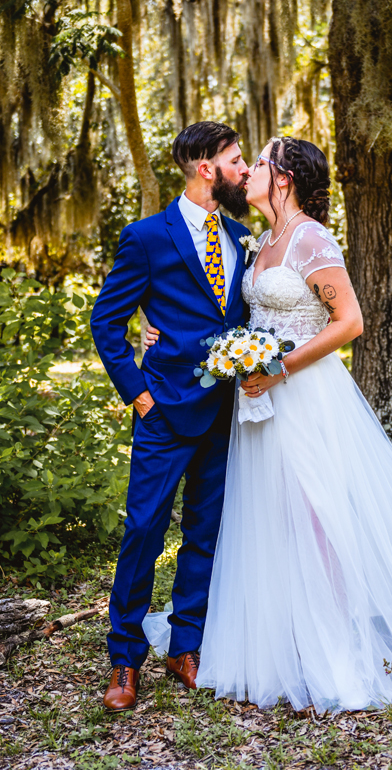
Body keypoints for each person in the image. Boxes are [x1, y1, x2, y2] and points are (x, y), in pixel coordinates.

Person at [141, 137, 392, 712]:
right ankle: (278, 630)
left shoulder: (310, 238)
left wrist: (279, 368)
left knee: (318, 512)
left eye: (259, 163)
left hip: (304, 396)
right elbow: (221, 308)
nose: (250, 172)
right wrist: (154, 329)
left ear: (282, 177)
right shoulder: (258, 241)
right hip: (256, 405)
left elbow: (350, 321)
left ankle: (328, 641)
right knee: (270, 512)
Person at [89, 121, 252, 711]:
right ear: (206, 167)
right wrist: (139, 394)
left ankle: (187, 645)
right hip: (162, 411)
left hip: (225, 412)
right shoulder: (146, 237)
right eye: (235, 160)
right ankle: (124, 659)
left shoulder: (241, 236)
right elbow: (106, 323)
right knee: (143, 533)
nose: (244, 169)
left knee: (204, 535)